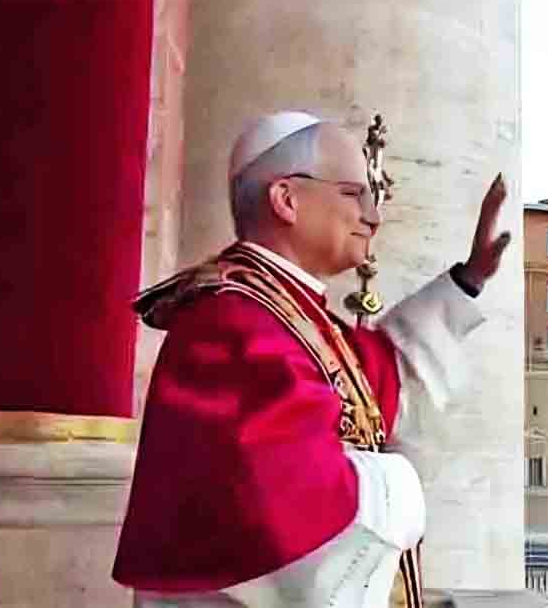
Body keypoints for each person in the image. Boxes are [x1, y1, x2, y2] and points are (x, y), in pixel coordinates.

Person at [113, 111, 511, 607]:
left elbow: (381, 385)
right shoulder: (230, 320)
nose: (374, 215)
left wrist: (468, 279)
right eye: (352, 193)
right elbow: (290, 506)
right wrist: (401, 482)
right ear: (286, 199)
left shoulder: (289, 311)